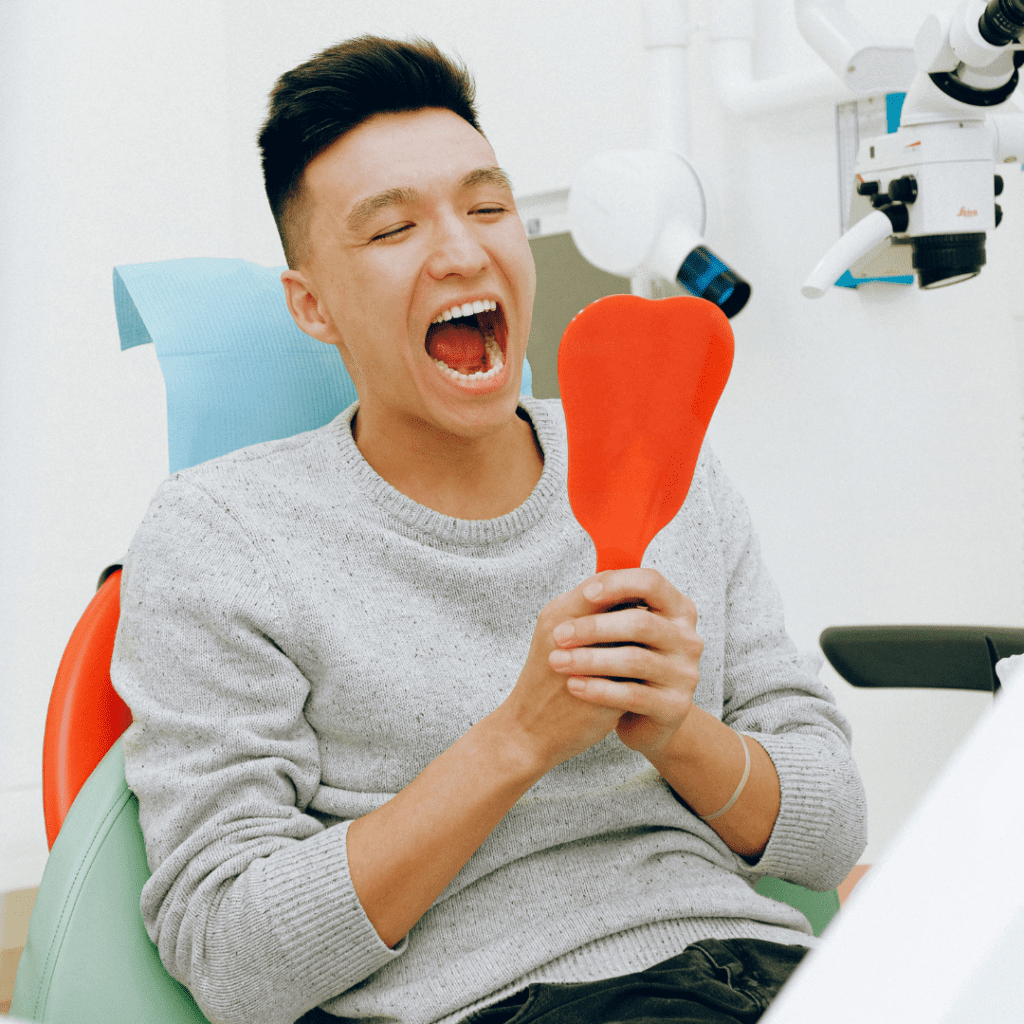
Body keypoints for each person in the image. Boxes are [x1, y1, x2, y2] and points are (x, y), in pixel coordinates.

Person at [111, 35, 867, 1024]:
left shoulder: (662, 462)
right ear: (313, 306)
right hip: (507, 1002)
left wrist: (682, 734)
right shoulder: (221, 535)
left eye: (486, 206)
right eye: (392, 232)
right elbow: (233, 959)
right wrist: (518, 737)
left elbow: (828, 833)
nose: (463, 251)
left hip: (771, 971)